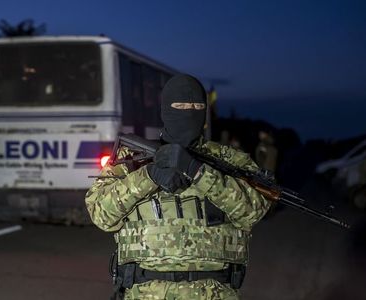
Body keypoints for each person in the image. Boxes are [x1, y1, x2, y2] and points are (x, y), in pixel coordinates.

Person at [85, 74, 270, 299]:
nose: (189, 111)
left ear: (205, 113)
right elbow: (100, 214)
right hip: (145, 293)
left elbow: (253, 211)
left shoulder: (230, 162)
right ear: (165, 111)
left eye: (196, 106)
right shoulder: (135, 160)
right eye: (180, 105)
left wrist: (198, 171)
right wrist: (149, 176)